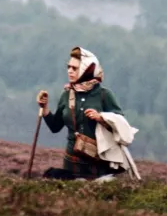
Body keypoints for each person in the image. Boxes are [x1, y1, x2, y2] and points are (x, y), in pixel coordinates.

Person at [36, 46, 126, 180]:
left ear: (87, 69)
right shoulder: (66, 95)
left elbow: (121, 126)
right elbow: (55, 127)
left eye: (75, 68)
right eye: (68, 67)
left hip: (99, 166)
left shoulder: (104, 95)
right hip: (71, 165)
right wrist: (44, 108)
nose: (70, 71)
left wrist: (101, 118)